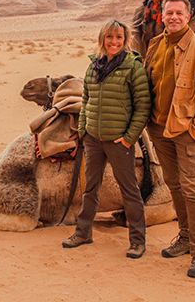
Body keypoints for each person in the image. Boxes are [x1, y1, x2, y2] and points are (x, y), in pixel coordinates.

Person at [144, 0, 195, 278]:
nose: (174, 17)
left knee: (192, 189)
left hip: (186, 129)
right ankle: (185, 237)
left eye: (179, 13)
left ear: (188, 17)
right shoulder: (155, 45)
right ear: (163, 15)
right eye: (169, 13)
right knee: (174, 185)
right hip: (159, 129)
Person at [62, 19, 151, 259]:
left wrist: (129, 138)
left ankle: (137, 241)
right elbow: (86, 101)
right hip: (93, 139)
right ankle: (83, 232)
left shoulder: (133, 67)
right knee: (90, 188)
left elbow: (143, 106)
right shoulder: (93, 67)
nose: (114, 42)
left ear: (125, 40)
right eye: (109, 37)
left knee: (129, 191)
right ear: (103, 39)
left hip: (118, 141)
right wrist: (83, 130)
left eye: (118, 38)